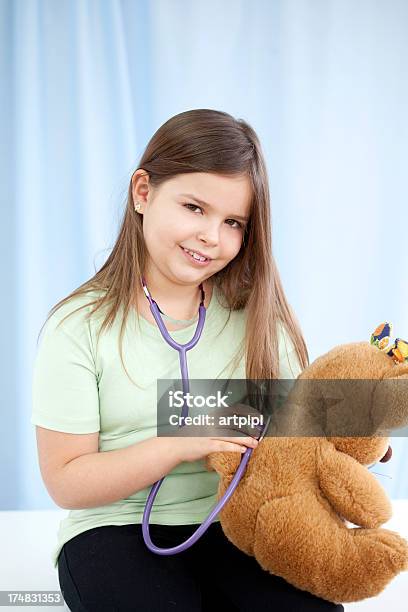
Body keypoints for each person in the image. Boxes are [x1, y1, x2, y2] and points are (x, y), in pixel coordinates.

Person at [31, 109, 343, 611]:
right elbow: (66, 481)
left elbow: (295, 422)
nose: (211, 236)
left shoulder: (256, 316)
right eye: (194, 207)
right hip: (115, 529)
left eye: (233, 222)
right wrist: (178, 443)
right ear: (142, 192)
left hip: (237, 521)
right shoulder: (78, 326)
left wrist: (349, 434)